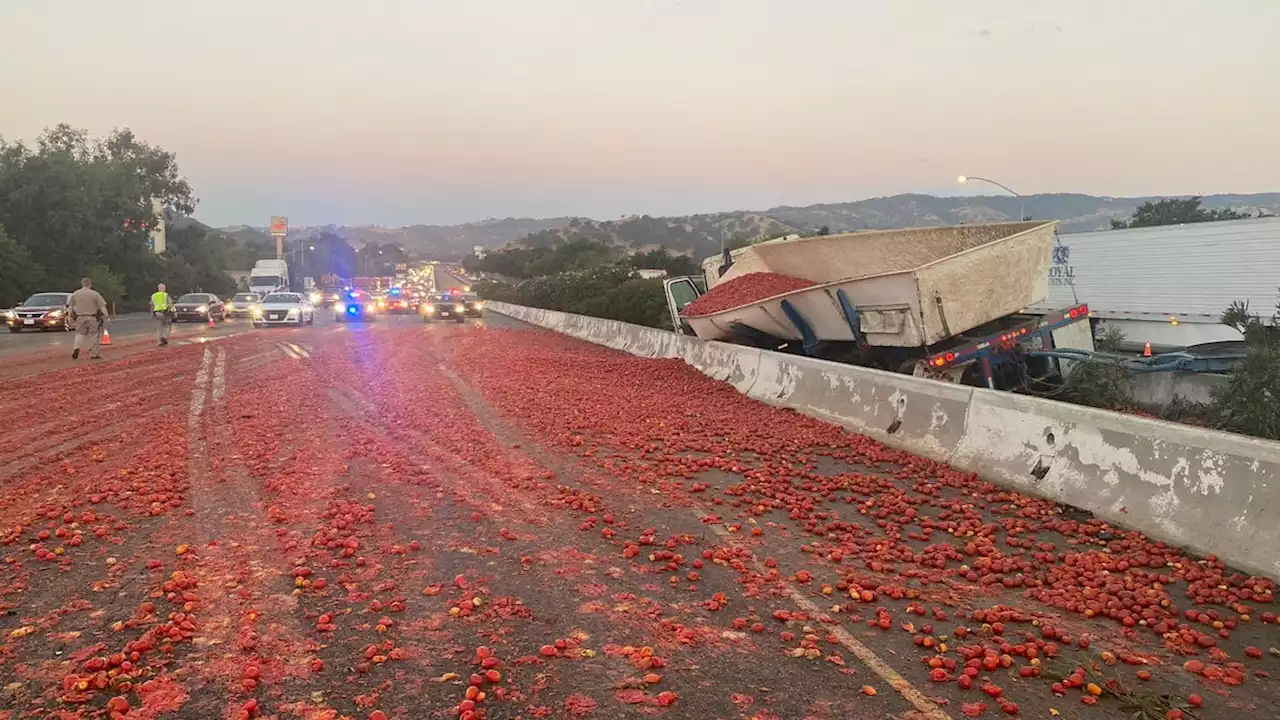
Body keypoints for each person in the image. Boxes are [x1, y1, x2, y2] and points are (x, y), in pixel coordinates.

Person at [68, 277, 109, 360]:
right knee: (93, 335)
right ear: (90, 284)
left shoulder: (75, 294)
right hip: (92, 317)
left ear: (82, 284)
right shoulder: (95, 294)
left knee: (80, 334)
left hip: (80, 317)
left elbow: (70, 307)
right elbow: (102, 306)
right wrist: (107, 316)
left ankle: (76, 347)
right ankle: (94, 354)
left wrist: (70, 317)